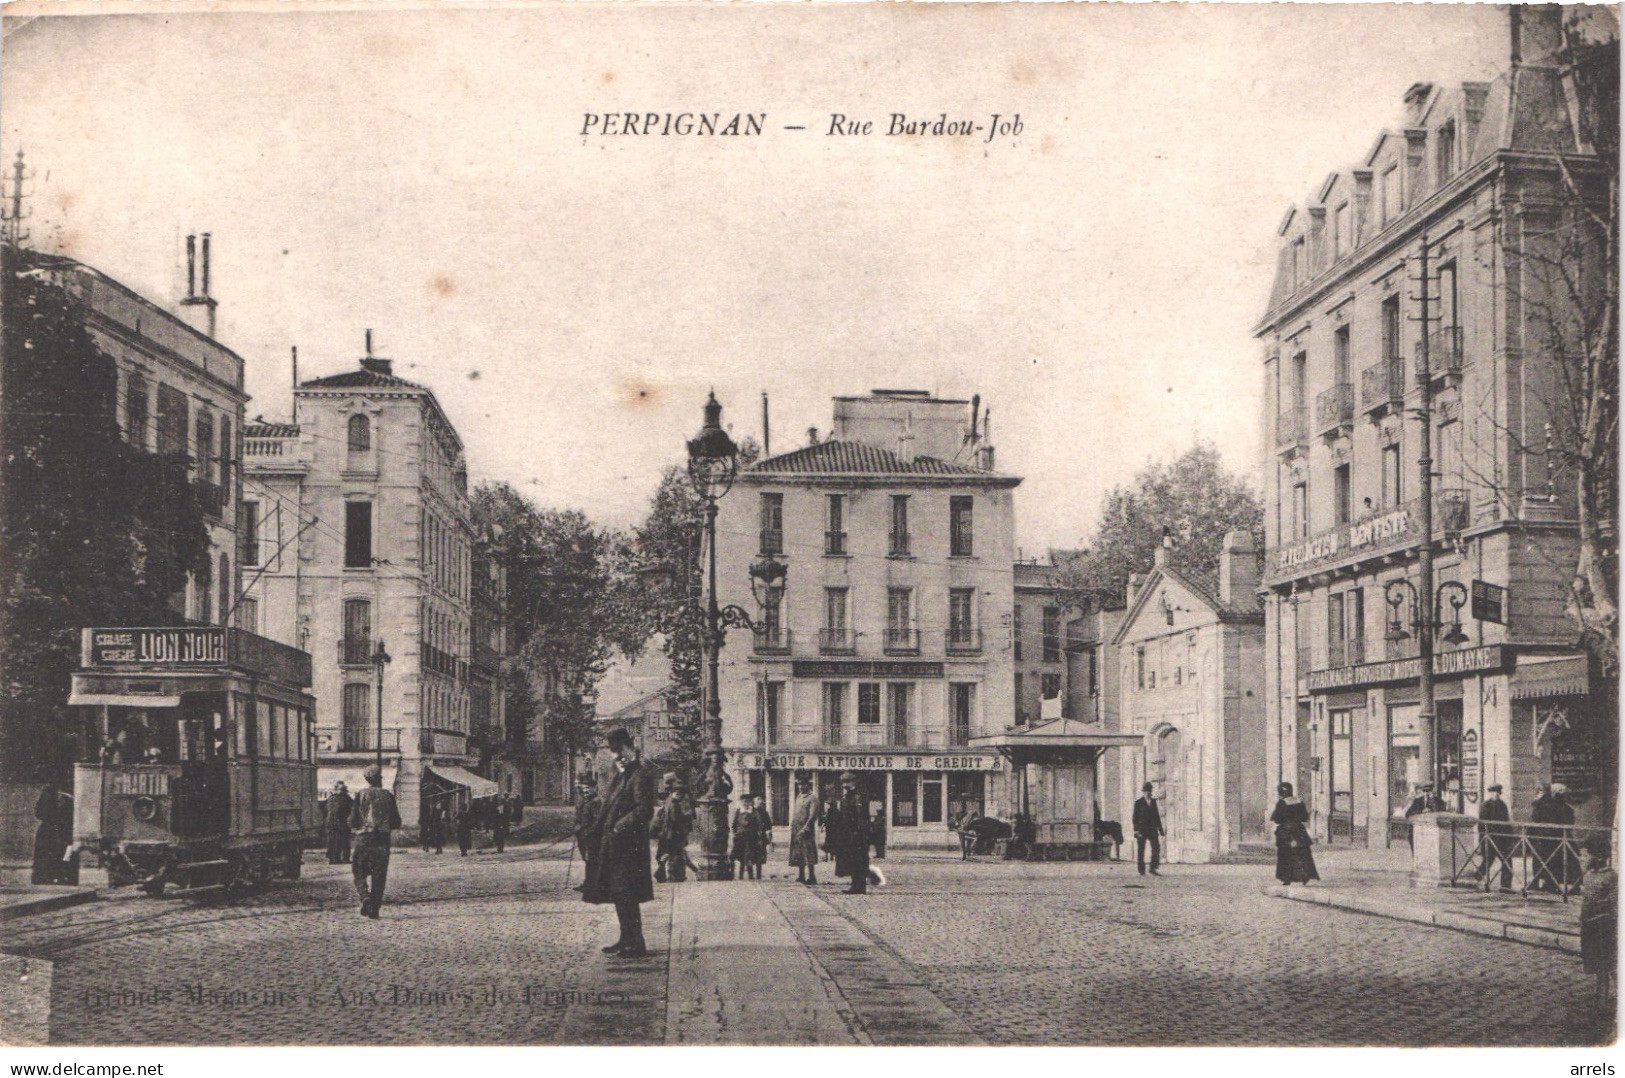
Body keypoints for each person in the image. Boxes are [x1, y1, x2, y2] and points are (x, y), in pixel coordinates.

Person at [580, 728, 656, 958]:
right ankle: (626, 939)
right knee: (619, 894)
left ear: (630, 748)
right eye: (614, 753)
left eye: (620, 751)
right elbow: (608, 808)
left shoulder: (640, 774)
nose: (618, 757)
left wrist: (617, 827)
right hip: (615, 847)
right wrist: (592, 831)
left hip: (628, 847)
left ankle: (636, 943)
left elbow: (644, 810)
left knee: (627, 894)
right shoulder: (622, 776)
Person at [349, 763, 401, 919]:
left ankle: (365, 897)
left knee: (358, 870)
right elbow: (396, 821)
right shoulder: (388, 796)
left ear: (367, 779)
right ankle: (374, 908)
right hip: (382, 839)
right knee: (379, 875)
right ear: (379, 779)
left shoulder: (360, 795)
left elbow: (352, 820)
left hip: (364, 838)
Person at [1580, 833, 1617, 1010]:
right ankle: (1602, 997)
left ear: (1599, 856)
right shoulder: (1588, 877)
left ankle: (1602, 1001)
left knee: (1608, 966)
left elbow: (1615, 905)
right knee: (1598, 964)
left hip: (1604, 927)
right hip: (1590, 927)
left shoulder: (1611, 878)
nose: (1582, 858)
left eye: (1586, 855)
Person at [825, 772, 878, 894]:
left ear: (853, 782)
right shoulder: (847, 796)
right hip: (849, 834)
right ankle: (856, 885)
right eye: (843, 782)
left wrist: (859, 832)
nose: (845, 785)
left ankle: (859, 886)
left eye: (847, 782)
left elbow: (860, 816)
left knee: (859, 860)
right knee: (853, 860)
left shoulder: (858, 796)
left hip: (857, 834)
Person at [1270, 781, 1319, 886]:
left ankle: (1287, 878)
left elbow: (1277, 819)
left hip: (1286, 832)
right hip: (1299, 831)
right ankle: (1305, 875)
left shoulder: (1281, 803)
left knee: (1286, 855)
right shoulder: (1299, 801)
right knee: (1303, 854)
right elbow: (1305, 817)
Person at [32, 780, 72, 885]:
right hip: (54, 830)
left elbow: (38, 812)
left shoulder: (49, 792)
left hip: (52, 829)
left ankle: (47, 878)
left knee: (52, 855)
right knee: (52, 854)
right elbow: (39, 812)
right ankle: (51, 878)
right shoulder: (55, 794)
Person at [1477, 783, 1514, 892]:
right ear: (1490, 793)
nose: (1497, 794)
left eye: (1498, 792)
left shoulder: (1502, 805)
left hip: (1502, 839)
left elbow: (1506, 821)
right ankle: (1476, 877)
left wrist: (1509, 836)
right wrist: (1483, 839)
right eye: (1494, 792)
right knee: (1488, 861)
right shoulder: (1485, 806)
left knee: (1507, 861)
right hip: (1490, 839)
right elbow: (1482, 825)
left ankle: (1506, 886)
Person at [788, 777, 821, 884]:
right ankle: (801, 875)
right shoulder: (798, 797)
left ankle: (812, 877)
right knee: (798, 852)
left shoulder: (813, 798)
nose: (801, 787)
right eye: (799, 785)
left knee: (808, 851)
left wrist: (806, 827)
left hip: (806, 828)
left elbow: (813, 815)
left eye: (803, 785)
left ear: (808, 785)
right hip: (796, 828)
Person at [1132, 782, 1164, 877]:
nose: (1148, 793)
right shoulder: (1138, 802)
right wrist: (1136, 830)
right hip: (1142, 829)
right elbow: (1135, 817)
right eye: (1146, 791)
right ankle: (1141, 870)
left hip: (1152, 829)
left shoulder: (1153, 802)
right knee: (1141, 849)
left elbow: (1157, 816)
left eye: (1149, 791)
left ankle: (1153, 868)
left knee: (1156, 848)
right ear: (1143, 792)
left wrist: (1160, 830)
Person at [731, 794, 764, 880]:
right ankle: (740, 875)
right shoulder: (738, 811)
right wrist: (735, 834)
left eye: (748, 802)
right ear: (741, 802)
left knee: (749, 857)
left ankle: (751, 876)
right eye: (744, 801)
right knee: (741, 857)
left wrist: (758, 835)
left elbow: (759, 824)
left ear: (750, 802)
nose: (746, 804)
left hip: (751, 838)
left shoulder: (754, 811)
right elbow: (734, 824)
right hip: (740, 837)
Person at [574, 777, 601, 873]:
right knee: (586, 858)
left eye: (588, 788)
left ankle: (592, 884)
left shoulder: (596, 802)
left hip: (591, 836)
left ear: (594, 788)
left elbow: (597, 821)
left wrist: (585, 829)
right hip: (582, 835)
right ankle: (588, 882)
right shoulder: (584, 801)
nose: (585, 790)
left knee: (592, 859)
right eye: (584, 788)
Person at [325, 782, 354, 865]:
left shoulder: (331, 798)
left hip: (332, 823)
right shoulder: (347, 798)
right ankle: (344, 858)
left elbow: (326, 809)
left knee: (333, 841)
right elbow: (353, 808)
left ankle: (333, 858)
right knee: (343, 841)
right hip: (341, 823)